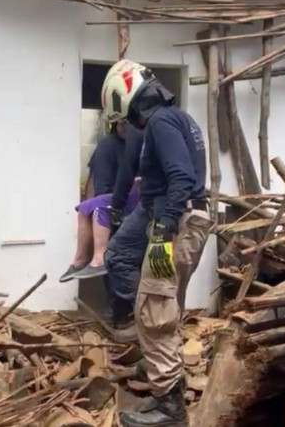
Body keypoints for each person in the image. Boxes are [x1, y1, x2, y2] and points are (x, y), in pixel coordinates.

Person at [104, 60, 211, 427]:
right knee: (139, 280)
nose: (128, 123)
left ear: (132, 99)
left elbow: (181, 176)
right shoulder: (174, 118)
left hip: (175, 221)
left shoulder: (162, 122)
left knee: (155, 311)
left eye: (127, 115)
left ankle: (170, 407)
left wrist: (164, 229)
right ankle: (155, 355)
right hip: (168, 215)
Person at [60, 118, 141, 282]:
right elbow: (98, 182)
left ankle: (98, 259)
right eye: (121, 123)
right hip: (119, 199)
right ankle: (80, 259)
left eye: (127, 123)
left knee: (99, 209)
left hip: (132, 199)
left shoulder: (141, 143)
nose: (125, 127)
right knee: (83, 208)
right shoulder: (109, 146)